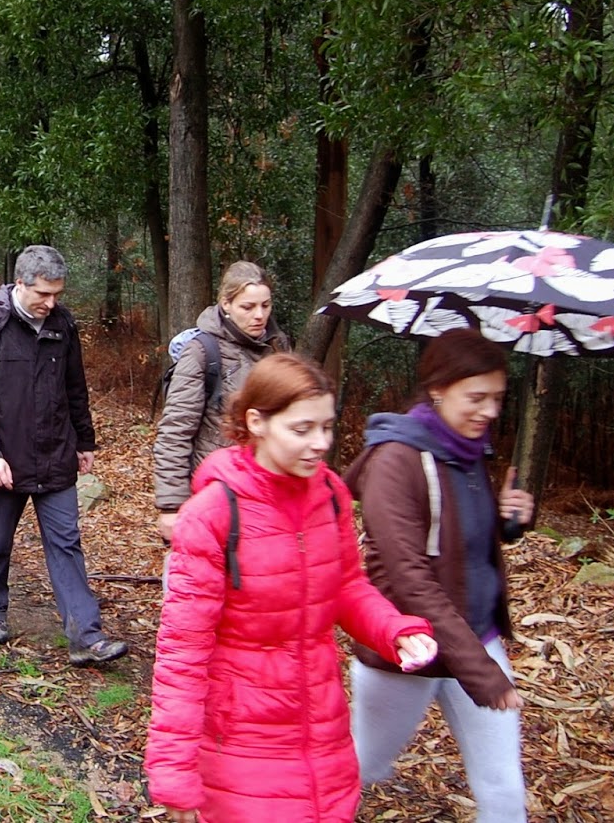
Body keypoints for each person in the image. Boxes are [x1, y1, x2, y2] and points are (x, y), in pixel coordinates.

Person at [144, 353, 439, 822]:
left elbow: (345, 586)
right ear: (256, 422)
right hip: (241, 740)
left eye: (327, 427)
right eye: (302, 429)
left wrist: (393, 629)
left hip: (322, 726)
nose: (321, 443)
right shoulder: (212, 515)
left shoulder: (331, 495)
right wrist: (174, 771)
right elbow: (183, 652)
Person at [344, 329, 535, 821]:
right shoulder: (396, 461)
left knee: (503, 788)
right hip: (409, 648)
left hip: (475, 636)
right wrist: (481, 672)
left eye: (497, 398)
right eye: (477, 397)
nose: (489, 411)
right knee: (360, 766)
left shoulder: (467, 450)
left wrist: (507, 521)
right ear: (437, 389)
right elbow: (410, 577)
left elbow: (456, 540)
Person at [0, 245, 128, 665]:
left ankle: (86, 635)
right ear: (21, 284)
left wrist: (84, 441)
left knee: (66, 543)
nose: (51, 303)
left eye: (57, 294)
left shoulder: (63, 325)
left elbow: (75, 387)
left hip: (55, 454)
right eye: (43, 294)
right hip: (4, 460)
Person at [153, 261, 290, 542]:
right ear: (226, 304)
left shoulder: (278, 346)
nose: (259, 315)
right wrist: (171, 506)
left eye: (265, 305)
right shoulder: (203, 351)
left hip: (271, 490)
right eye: (248, 307)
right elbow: (176, 430)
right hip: (216, 492)